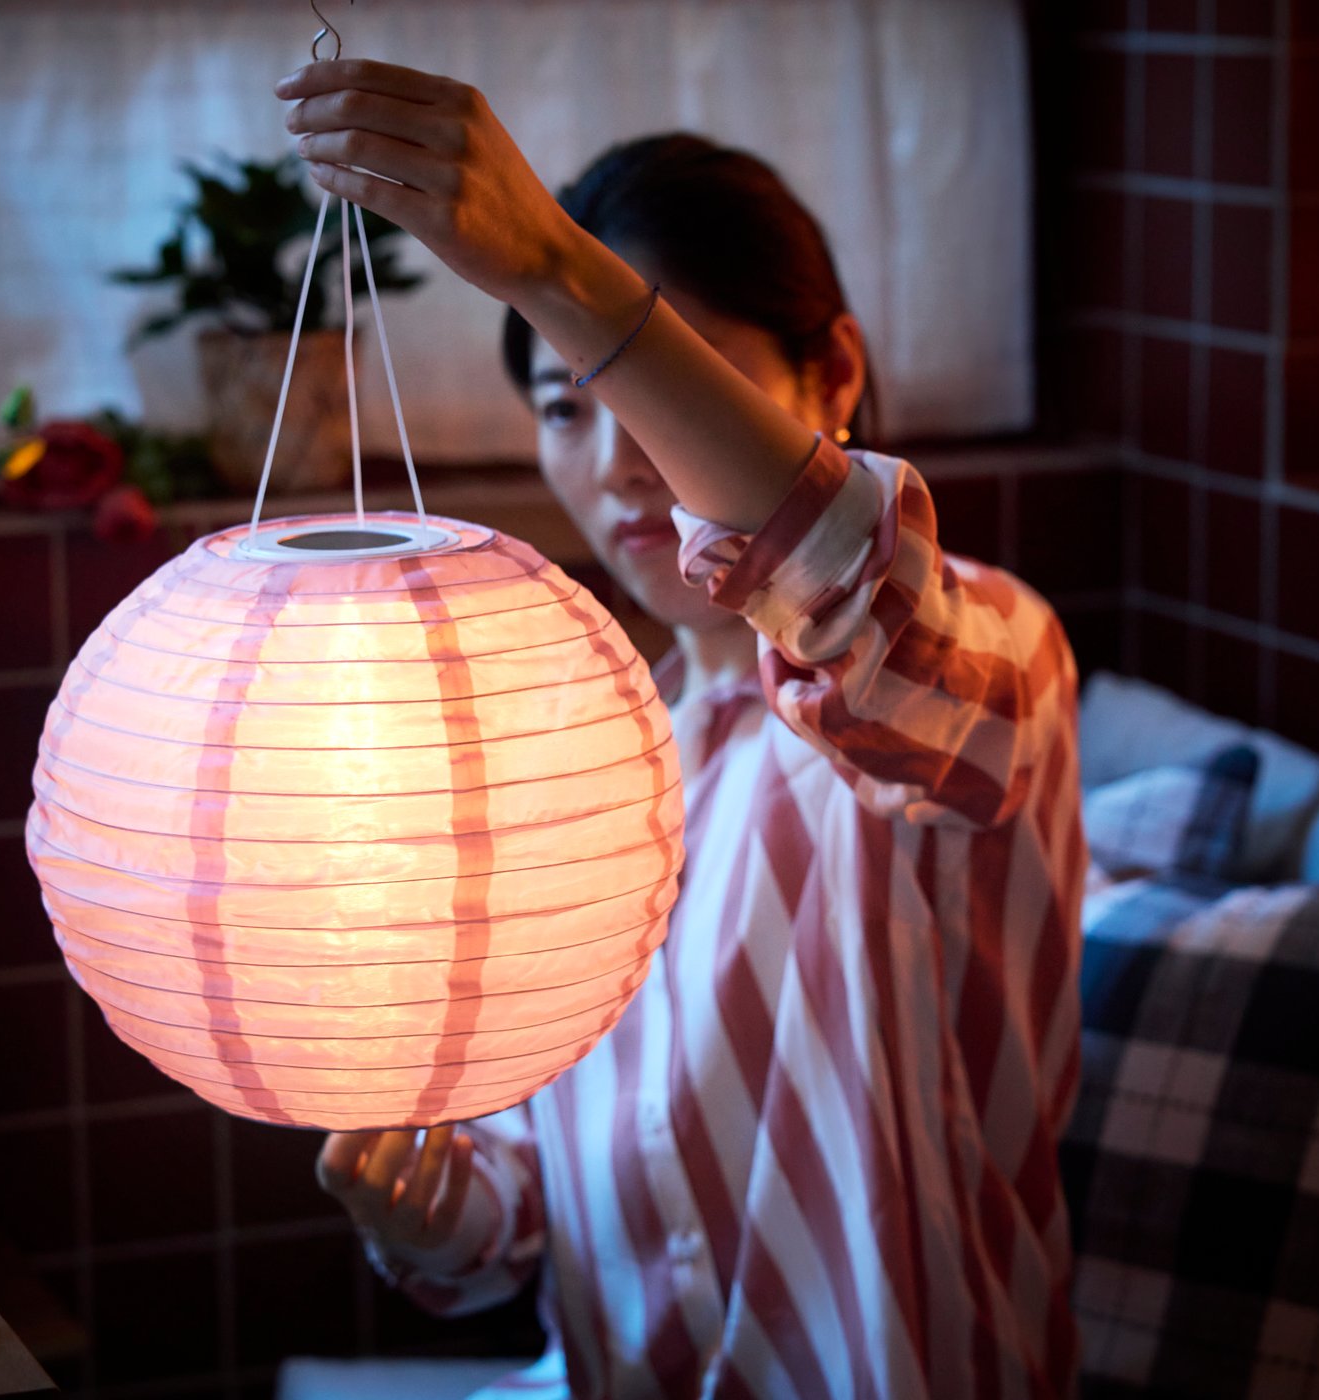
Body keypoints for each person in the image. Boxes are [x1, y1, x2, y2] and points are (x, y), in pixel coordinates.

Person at [276, 58, 1086, 1400]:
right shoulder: (572, 756)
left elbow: (853, 601)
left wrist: (557, 272)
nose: (616, 458)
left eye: (654, 376)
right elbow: (536, 1217)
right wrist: (430, 1207)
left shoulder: (981, 664)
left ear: (831, 372)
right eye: (561, 406)